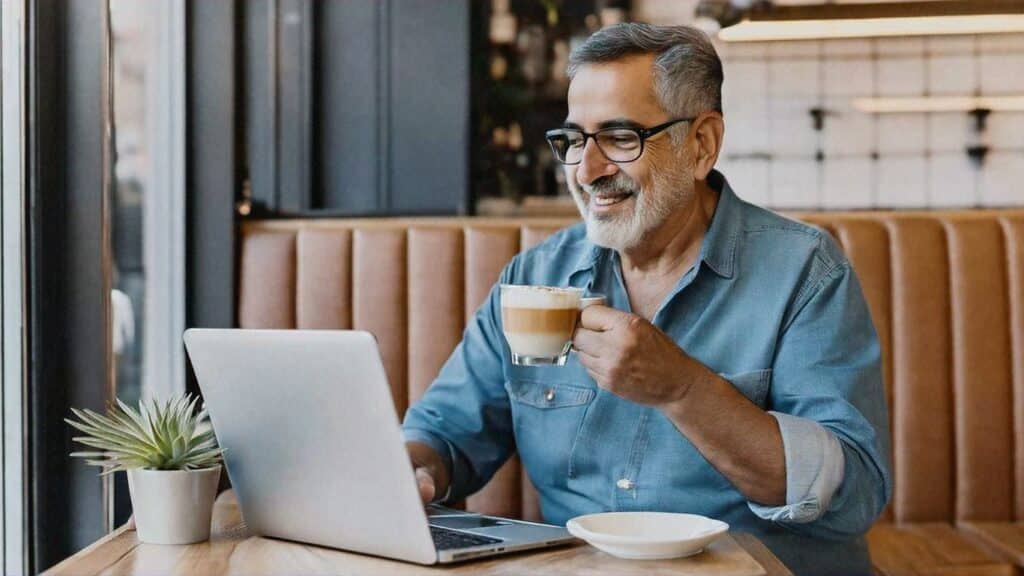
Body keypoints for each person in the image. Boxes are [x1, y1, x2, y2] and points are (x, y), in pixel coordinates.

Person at [403, 22, 890, 575]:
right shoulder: (536, 277)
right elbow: (443, 432)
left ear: (701, 144)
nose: (586, 172)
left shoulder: (805, 274)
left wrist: (683, 389)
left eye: (619, 138)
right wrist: (413, 468)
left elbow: (852, 495)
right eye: (572, 141)